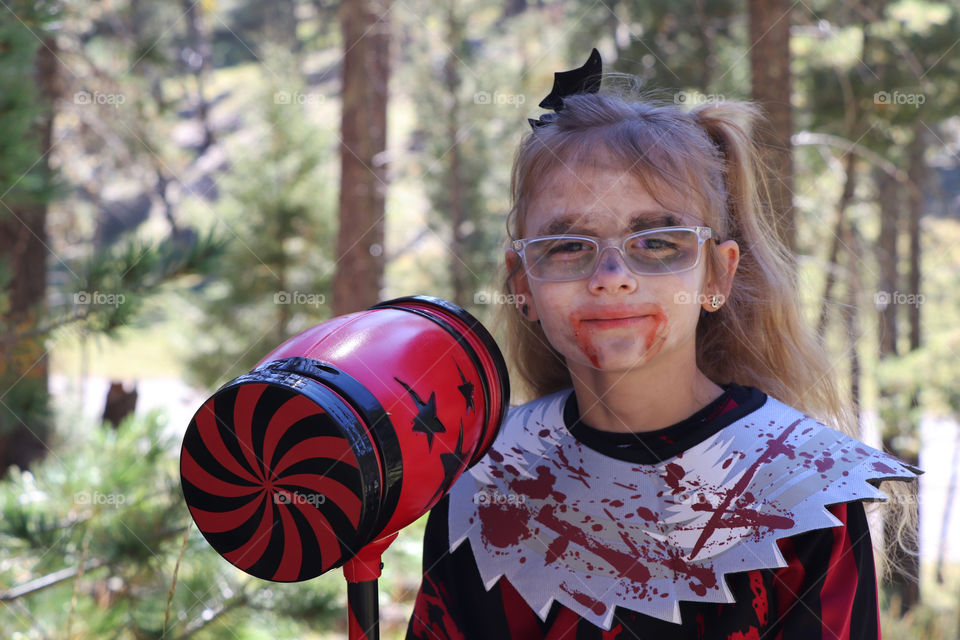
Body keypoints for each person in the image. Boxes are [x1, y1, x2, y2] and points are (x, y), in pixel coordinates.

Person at [405, 49, 919, 640]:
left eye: (657, 242)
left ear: (717, 275)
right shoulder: (482, 479)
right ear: (523, 285)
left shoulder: (802, 488)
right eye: (567, 245)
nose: (611, 277)